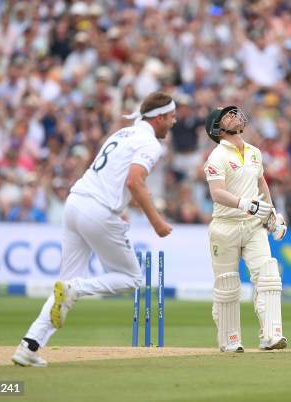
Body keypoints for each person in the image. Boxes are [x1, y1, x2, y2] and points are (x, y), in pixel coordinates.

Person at [11, 92, 176, 366]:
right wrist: (156, 221)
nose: (174, 122)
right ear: (158, 118)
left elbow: (113, 178)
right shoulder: (149, 143)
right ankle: (77, 288)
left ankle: (29, 345)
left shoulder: (121, 134)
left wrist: (122, 207)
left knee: (63, 287)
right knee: (131, 278)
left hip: (76, 203)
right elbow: (135, 181)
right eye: (171, 117)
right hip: (98, 210)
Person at [203, 106, 288, 352]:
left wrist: (271, 213)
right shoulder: (217, 156)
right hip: (225, 226)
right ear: (217, 128)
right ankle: (230, 340)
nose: (234, 115)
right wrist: (246, 205)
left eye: (234, 112)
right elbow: (217, 193)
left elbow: (261, 183)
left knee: (269, 275)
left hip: (253, 227)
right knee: (228, 284)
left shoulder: (254, 152)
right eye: (227, 115)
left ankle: (271, 335)